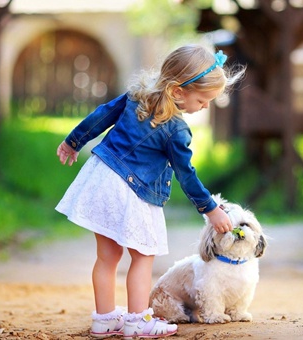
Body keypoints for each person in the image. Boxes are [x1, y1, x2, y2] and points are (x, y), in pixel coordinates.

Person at [55, 44, 245, 339]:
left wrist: (73, 141)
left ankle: (105, 319)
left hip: (100, 179)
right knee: (143, 257)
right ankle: (138, 321)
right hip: (130, 191)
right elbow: (186, 175)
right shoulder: (176, 130)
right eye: (203, 100)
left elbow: (101, 115)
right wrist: (210, 208)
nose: (205, 106)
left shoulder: (136, 96)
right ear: (179, 92)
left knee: (107, 256)